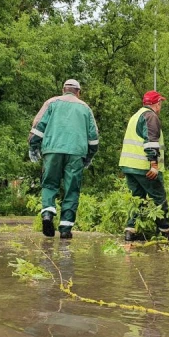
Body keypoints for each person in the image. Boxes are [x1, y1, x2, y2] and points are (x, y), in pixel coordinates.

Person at [29, 79, 99, 239]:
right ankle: (66, 228)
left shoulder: (53, 104)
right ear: (78, 92)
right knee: (71, 189)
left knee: (49, 183)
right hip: (76, 153)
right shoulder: (85, 108)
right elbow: (94, 137)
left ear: (63, 90)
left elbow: (39, 127)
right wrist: (89, 156)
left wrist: (34, 146)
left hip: (52, 150)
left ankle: (47, 213)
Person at [119, 90, 169, 241]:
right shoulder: (150, 116)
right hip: (143, 167)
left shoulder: (135, 116)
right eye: (161, 103)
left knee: (137, 198)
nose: (161, 106)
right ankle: (166, 231)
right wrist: (154, 164)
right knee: (159, 197)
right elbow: (151, 141)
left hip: (129, 165)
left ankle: (130, 230)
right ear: (157, 103)